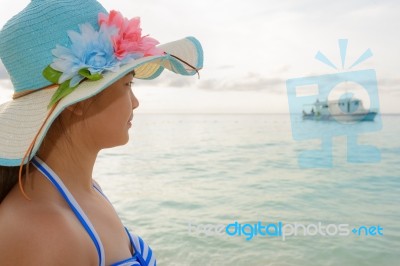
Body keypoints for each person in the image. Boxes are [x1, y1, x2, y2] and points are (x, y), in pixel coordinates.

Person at [0, 0, 203, 265]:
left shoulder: (84, 192)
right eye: (127, 84)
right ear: (79, 103)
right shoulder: (44, 231)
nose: (135, 102)